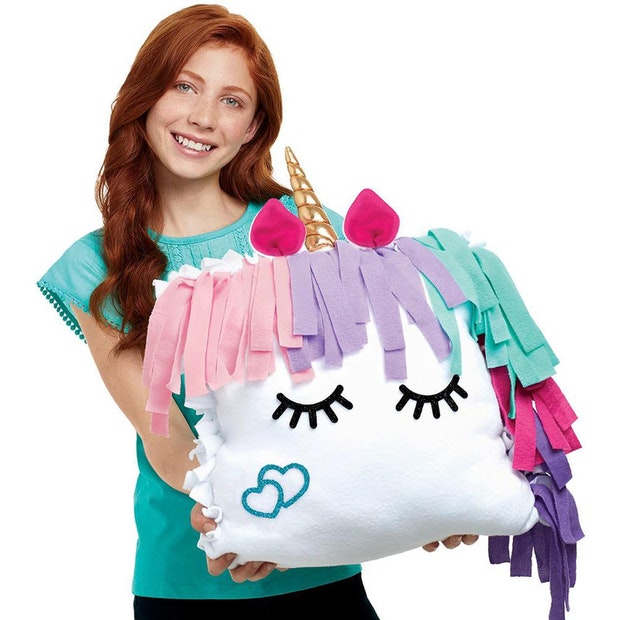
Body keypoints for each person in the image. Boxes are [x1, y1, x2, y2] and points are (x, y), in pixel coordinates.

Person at [37, 4, 475, 618]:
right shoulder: (93, 266)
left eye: (232, 100)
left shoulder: (302, 230)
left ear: (252, 128)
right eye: (184, 86)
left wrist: (433, 484)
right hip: (189, 582)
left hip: (324, 571)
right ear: (146, 94)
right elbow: (166, 437)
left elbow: (386, 375)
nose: (203, 117)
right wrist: (255, 518)